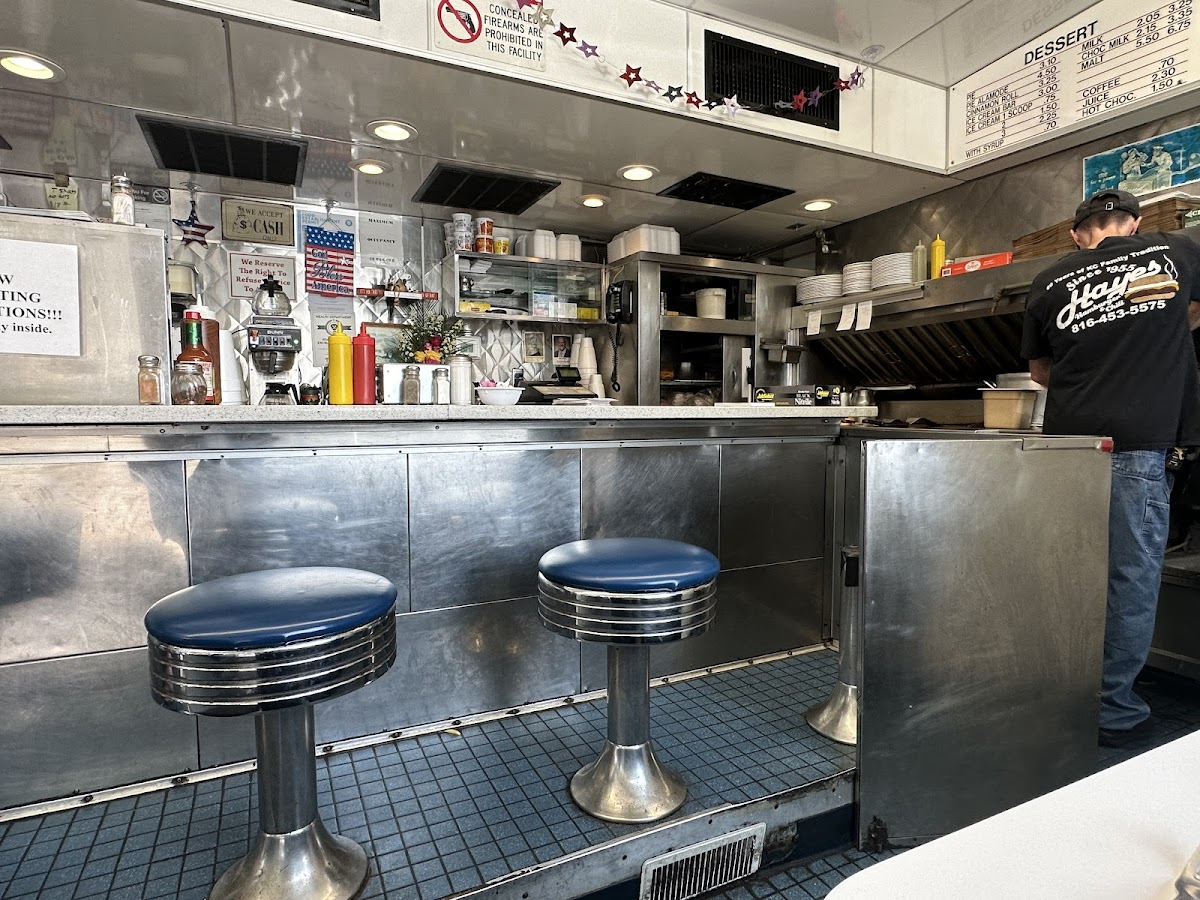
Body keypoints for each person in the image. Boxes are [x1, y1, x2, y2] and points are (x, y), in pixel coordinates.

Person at [1022, 189, 1200, 747]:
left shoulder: (1048, 282)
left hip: (1067, 453)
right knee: (1128, 582)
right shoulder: (1174, 252)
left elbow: (1040, 373)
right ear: (1135, 225)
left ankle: (1054, 692)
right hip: (1136, 452)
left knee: (1063, 576)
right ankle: (1111, 712)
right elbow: (1195, 314)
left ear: (1078, 234)